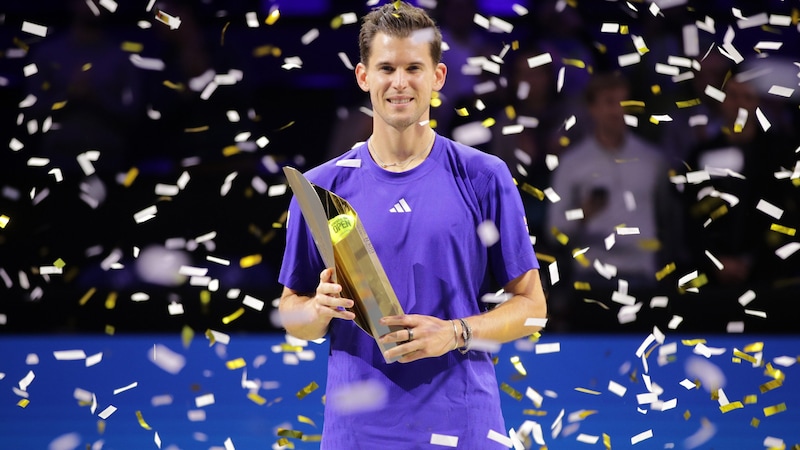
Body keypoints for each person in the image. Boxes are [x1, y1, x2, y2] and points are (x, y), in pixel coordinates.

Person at [277, 2, 547, 448]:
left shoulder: (484, 176)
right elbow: (293, 311)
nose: (399, 83)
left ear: (437, 76)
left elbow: (532, 309)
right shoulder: (321, 187)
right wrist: (316, 310)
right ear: (364, 77)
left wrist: (456, 332)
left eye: (413, 68)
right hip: (357, 432)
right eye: (386, 68)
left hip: (465, 426)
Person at [545, 72, 683, 331]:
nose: (617, 110)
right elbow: (554, 230)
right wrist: (583, 214)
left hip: (643, 277)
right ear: (592, 108)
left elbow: (669, 219)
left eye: (623, 102)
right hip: (591, 280)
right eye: (609, 102)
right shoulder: (572, 163)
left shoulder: (653, 160)